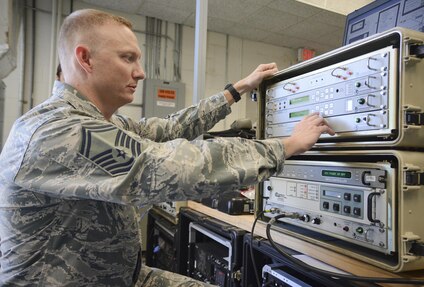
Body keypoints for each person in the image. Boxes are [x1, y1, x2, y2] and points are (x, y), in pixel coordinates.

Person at [0, 9, 334, 287]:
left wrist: (236, 91)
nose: (140, 72)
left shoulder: (103, 123)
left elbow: (170, 128)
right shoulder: (54, 131)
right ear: (85, 58)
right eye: (127, 58)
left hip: (119, 277)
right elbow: (171, 166)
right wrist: (285, 146)